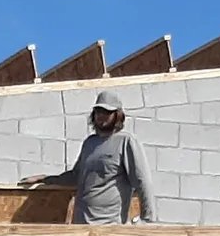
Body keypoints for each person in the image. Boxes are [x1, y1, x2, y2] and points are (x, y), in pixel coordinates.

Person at [22, 89, 160, 224]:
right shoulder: (90, 143)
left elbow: (143, 180)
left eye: (107, 112)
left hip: (109, 225)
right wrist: (44, 179)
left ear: (117, 115)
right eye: (98, 112)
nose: (101, 116)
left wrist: (147, 218)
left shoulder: (126, 141)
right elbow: (76, 176)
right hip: (82, 223)